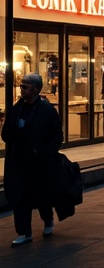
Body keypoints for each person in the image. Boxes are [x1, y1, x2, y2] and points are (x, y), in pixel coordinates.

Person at [2, 73, 62, 247]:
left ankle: (47, 218)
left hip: (38, 162)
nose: (21, 89)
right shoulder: (17, 108)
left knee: (41, 194)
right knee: (19, 197)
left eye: (25, 86)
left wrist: (47, 153)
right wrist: (15, 132)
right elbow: (5, 133)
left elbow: (57, 135)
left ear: (35, 89)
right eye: (21, 86)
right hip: (19, 161)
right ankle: (24, 232)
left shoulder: (46, 110)